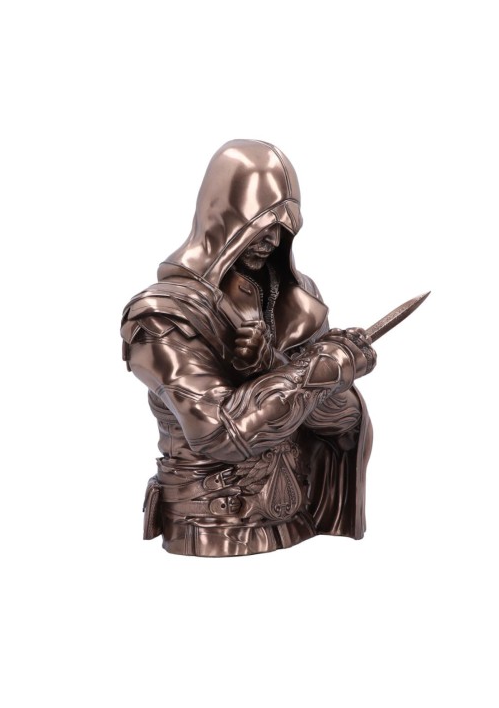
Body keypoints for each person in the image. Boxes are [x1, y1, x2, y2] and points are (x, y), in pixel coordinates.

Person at [120, 140, 376, 556]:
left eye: (284, 228)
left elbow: (338, 423)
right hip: (208, 531)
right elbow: (218, 433)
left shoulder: (298, 299)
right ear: (224, 216)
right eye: (261, 224)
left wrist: (283, 365)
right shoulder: (162, 316)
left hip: (298, 523)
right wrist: (323, 367)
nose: (272, 240)